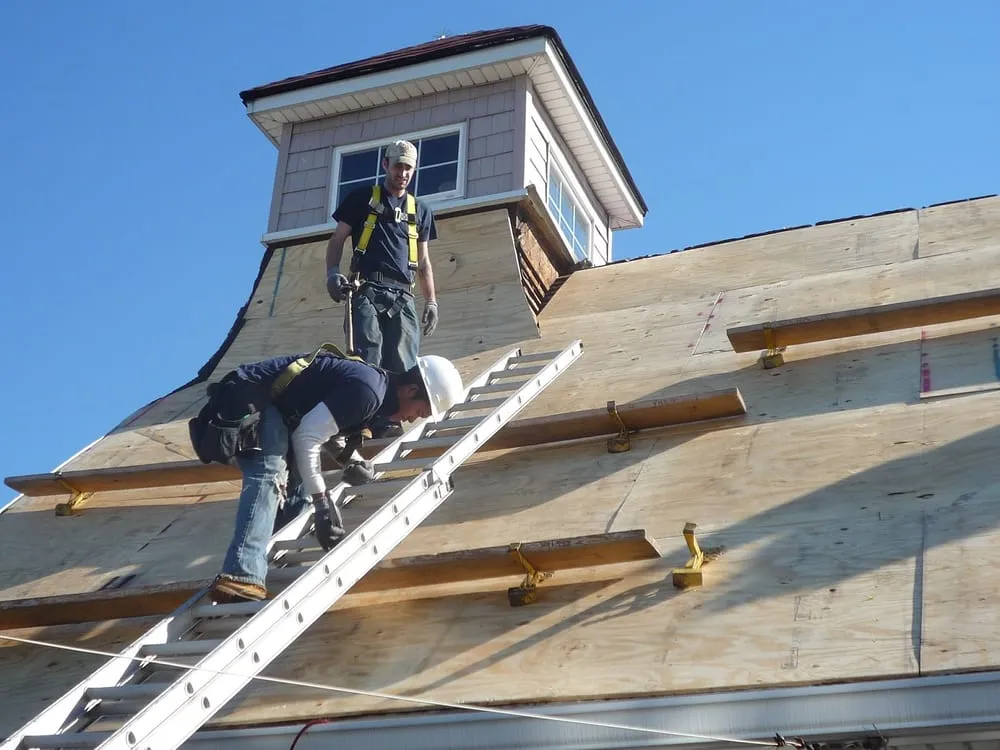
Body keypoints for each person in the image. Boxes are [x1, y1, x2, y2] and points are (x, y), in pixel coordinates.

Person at [207, 350, 464, 604]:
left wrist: (352, 462)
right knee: (270, 474)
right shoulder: (368, 391)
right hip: (253, 398)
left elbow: (325, 427)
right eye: (420, 412)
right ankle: (241, 575)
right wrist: (322, 503)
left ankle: (268, 566)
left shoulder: (378, 394)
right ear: (410, 390)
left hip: (287, 416)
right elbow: (307, 437)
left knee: (299, 496)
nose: (411, 419)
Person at [325, 139, 439, 437]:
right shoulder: (363, 198)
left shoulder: (421, 211)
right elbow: (337, 240)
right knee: (368, 356)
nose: (403, 173)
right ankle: (361, 420)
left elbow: (424, 261)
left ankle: (388, 419)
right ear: (385, 165)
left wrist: (431, 301)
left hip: (403, 294)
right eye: (398, 165)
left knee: (403, 363)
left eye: (409, 168)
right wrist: (333, 272)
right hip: (367, 289)